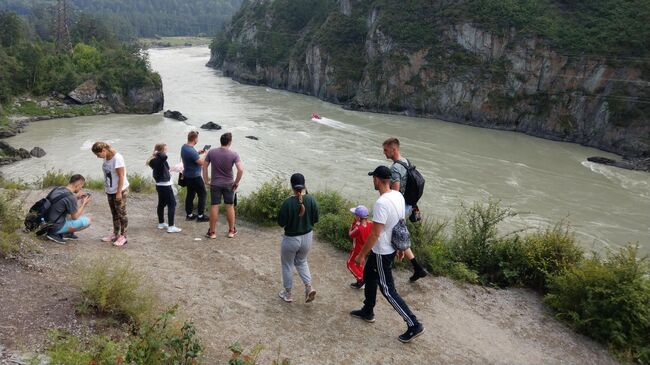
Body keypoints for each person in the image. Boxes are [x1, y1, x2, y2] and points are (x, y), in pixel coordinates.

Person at [350, 165, 425, 343]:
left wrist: (361, 255)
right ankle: (368, 310)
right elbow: (399, 223)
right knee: (369, 275)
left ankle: (413, 324)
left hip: (382, 252)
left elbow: (375, 234)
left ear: (377, 179)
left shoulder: (381, 203)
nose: (372, 181)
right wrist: (400, 247)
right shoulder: (398, 195)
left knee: (388, 290)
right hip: (388, 248)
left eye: (373, 178)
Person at [382, 137, 428, 282]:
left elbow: (395, 192)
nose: (384, 153)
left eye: (385, 150)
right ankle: (418, 268)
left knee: (388, 234)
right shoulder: (406, 161)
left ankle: (385, 266)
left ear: (393, 149)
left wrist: (387, 206)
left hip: (400, 207)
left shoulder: (395, 168)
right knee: (397, 235)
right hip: (409, 205)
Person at [277, 173, 319, 303]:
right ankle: (308, 287)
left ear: (292, 185)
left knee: (287, 265)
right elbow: (315, 219)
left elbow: (281, 223)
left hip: (291, 239)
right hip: (307, 237)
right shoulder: (311, 200)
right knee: (302, 261)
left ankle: (288, 294)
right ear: (304, 184)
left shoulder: (288, 202)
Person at [202, 132, 244, 239]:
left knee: (214, 206)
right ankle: (231, 231)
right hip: (229, 184)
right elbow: (240, 170)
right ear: (230, 142)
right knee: (229, 206)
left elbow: (204, 166)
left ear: (221, 141)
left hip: (215, 184)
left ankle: (212, 232)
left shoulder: (211, 152)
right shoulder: (234, 154)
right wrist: (236, 182)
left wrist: (206, 180)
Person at [92, 141, 130, 246]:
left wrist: (118, 193)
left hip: (120, 190)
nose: (97, 157)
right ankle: (115, 234)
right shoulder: (106, 157)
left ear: (104, 150)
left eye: (98, 154)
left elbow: (121, 176)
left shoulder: (117, 158)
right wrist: (108, 189)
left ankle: (123, 237)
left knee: (122, 214)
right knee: (114, 213)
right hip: (110, 190)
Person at [44, 174, 92, 244]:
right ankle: (58, 233)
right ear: (78, 185)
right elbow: (75, 217)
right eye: (81, 186)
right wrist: (84, 204)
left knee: (69, 213)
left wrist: (76, 197)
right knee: (88, 220)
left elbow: (62, 201)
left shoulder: (58, 188)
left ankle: (65, 233)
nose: (80, 189)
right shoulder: (70, 197)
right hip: (55, 227)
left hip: (46, 222)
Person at [147, 143, 181, 234]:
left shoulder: (155, 160)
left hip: (160, 184)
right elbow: (164, 157)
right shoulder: (158, 158)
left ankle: (161, 223)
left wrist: (171, 169)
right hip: (165, 185)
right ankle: (171, 226)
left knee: (161, 203)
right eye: (165, 149)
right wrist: (158, 153)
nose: (166, 151)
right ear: (161, 151)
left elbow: (162, 167)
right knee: (172, 204)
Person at [181, 131, 209, 222]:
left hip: (187, 176)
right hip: (195, 177)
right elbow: (202, 163)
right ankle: (200, 216)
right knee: (203, 194)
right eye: (197, 138)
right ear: (194, 139)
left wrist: (198, 153)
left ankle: (189, 215)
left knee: (190, 194)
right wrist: (205, 155)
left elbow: (192, 157)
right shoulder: (191, 151)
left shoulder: (184, 147)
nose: (197, 140)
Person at [347, 205, 372, 289]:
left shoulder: (358, 228)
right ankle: (360, 282)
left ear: (358, 217)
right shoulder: (370, 224)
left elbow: (350, 234)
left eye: (355, 215)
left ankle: (361, 280)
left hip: (357, 249)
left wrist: (353, 224)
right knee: (360, 264)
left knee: (350, 264)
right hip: (365, 248)